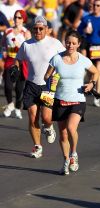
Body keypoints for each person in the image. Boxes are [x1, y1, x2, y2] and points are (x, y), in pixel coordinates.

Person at [44, 30, 100, 175]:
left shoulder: (84, 60)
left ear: (79, 44)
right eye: (68, 42)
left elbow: (96, 72)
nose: (70, 45)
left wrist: (91, 84)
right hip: (60, 100)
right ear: (65, 42)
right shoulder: (56, 59)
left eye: (74, 43)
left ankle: (74, 154)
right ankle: (66, 160)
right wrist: (51, 79)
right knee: (62, 135)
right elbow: (46, 76)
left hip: (78, 100)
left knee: (70, 128)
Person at [15, 16, 65, 158]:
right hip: (31, 85)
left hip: (48, 85)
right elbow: (18, 59)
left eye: (41, 28)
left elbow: (64, 59)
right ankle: (37, 146)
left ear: (47, 30)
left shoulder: (55, 43)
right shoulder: (27, 44)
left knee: (46, 117)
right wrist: (15, 68)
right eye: (35, 29)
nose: (37, 31)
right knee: (32, 117)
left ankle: (49, 127)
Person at [2, 10, 31, 119]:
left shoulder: (26, 32)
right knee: (8, 86)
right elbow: (3, 44)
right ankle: (10, 105)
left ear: (23, 19)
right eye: (15, 17)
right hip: (10, 61)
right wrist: (4, 50)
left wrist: (21, 46)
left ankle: (18, 107)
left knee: (19, 89)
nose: (16, 20)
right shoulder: (8, 31)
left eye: (19, 18)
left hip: (21, 62)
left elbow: (30, 49)